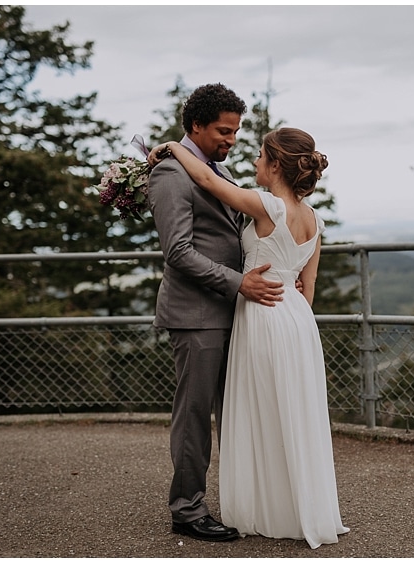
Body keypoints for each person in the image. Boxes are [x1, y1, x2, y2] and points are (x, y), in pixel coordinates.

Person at [153, 128, 348, 548]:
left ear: (276, 165)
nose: (254, 161)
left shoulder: (267, 205)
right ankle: (297, 506)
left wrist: (171, 147)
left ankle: (260, 505)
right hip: (297, 323)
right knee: (289, 414)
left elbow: (207, 181)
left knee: (256, 412)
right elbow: (306, 289)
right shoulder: (315, 219)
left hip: (261, 315)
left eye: (261, 156)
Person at [145, 83, 286, 543]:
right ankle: (186, 510)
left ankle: (241, 502)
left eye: (236, 132)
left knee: (237, 414)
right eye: (224, 132)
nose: (231, 140)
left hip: (235, 314)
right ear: (196, 126)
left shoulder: (213, 170)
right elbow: (178, 252)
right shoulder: (171, 173)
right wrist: (238, 282)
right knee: (195, 415)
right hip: (197, 315)